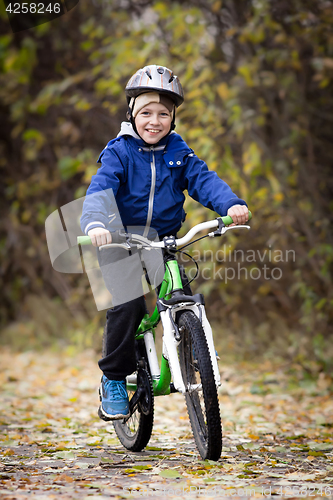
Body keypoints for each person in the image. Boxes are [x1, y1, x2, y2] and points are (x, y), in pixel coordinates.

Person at [80, 64, 249, 420]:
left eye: (163, 114)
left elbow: (203, 180)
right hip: (119, 239)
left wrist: (230, 204)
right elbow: (101, 188)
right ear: (132, 114)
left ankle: (194, 349)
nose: (154, 121)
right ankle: (113, 377)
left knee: (179, 294)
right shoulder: (119, 152)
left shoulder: (179, 151)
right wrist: (95, 222)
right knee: (126, 305)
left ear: (173, 118)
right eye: (146, 113)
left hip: (165, 239)